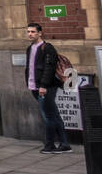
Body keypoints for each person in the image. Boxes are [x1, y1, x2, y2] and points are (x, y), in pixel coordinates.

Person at [25, 22, 70, 153]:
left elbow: (49, 69)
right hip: (34, 87)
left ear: (40, 33)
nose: (30, 34)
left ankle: (50, 144)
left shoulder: (47, 48)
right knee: (54, 115)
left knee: (49, 117)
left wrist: (43, 86)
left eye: (33, 32)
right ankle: (65, 143)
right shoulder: (30, 48)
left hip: (45, 88)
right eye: (28, 31)